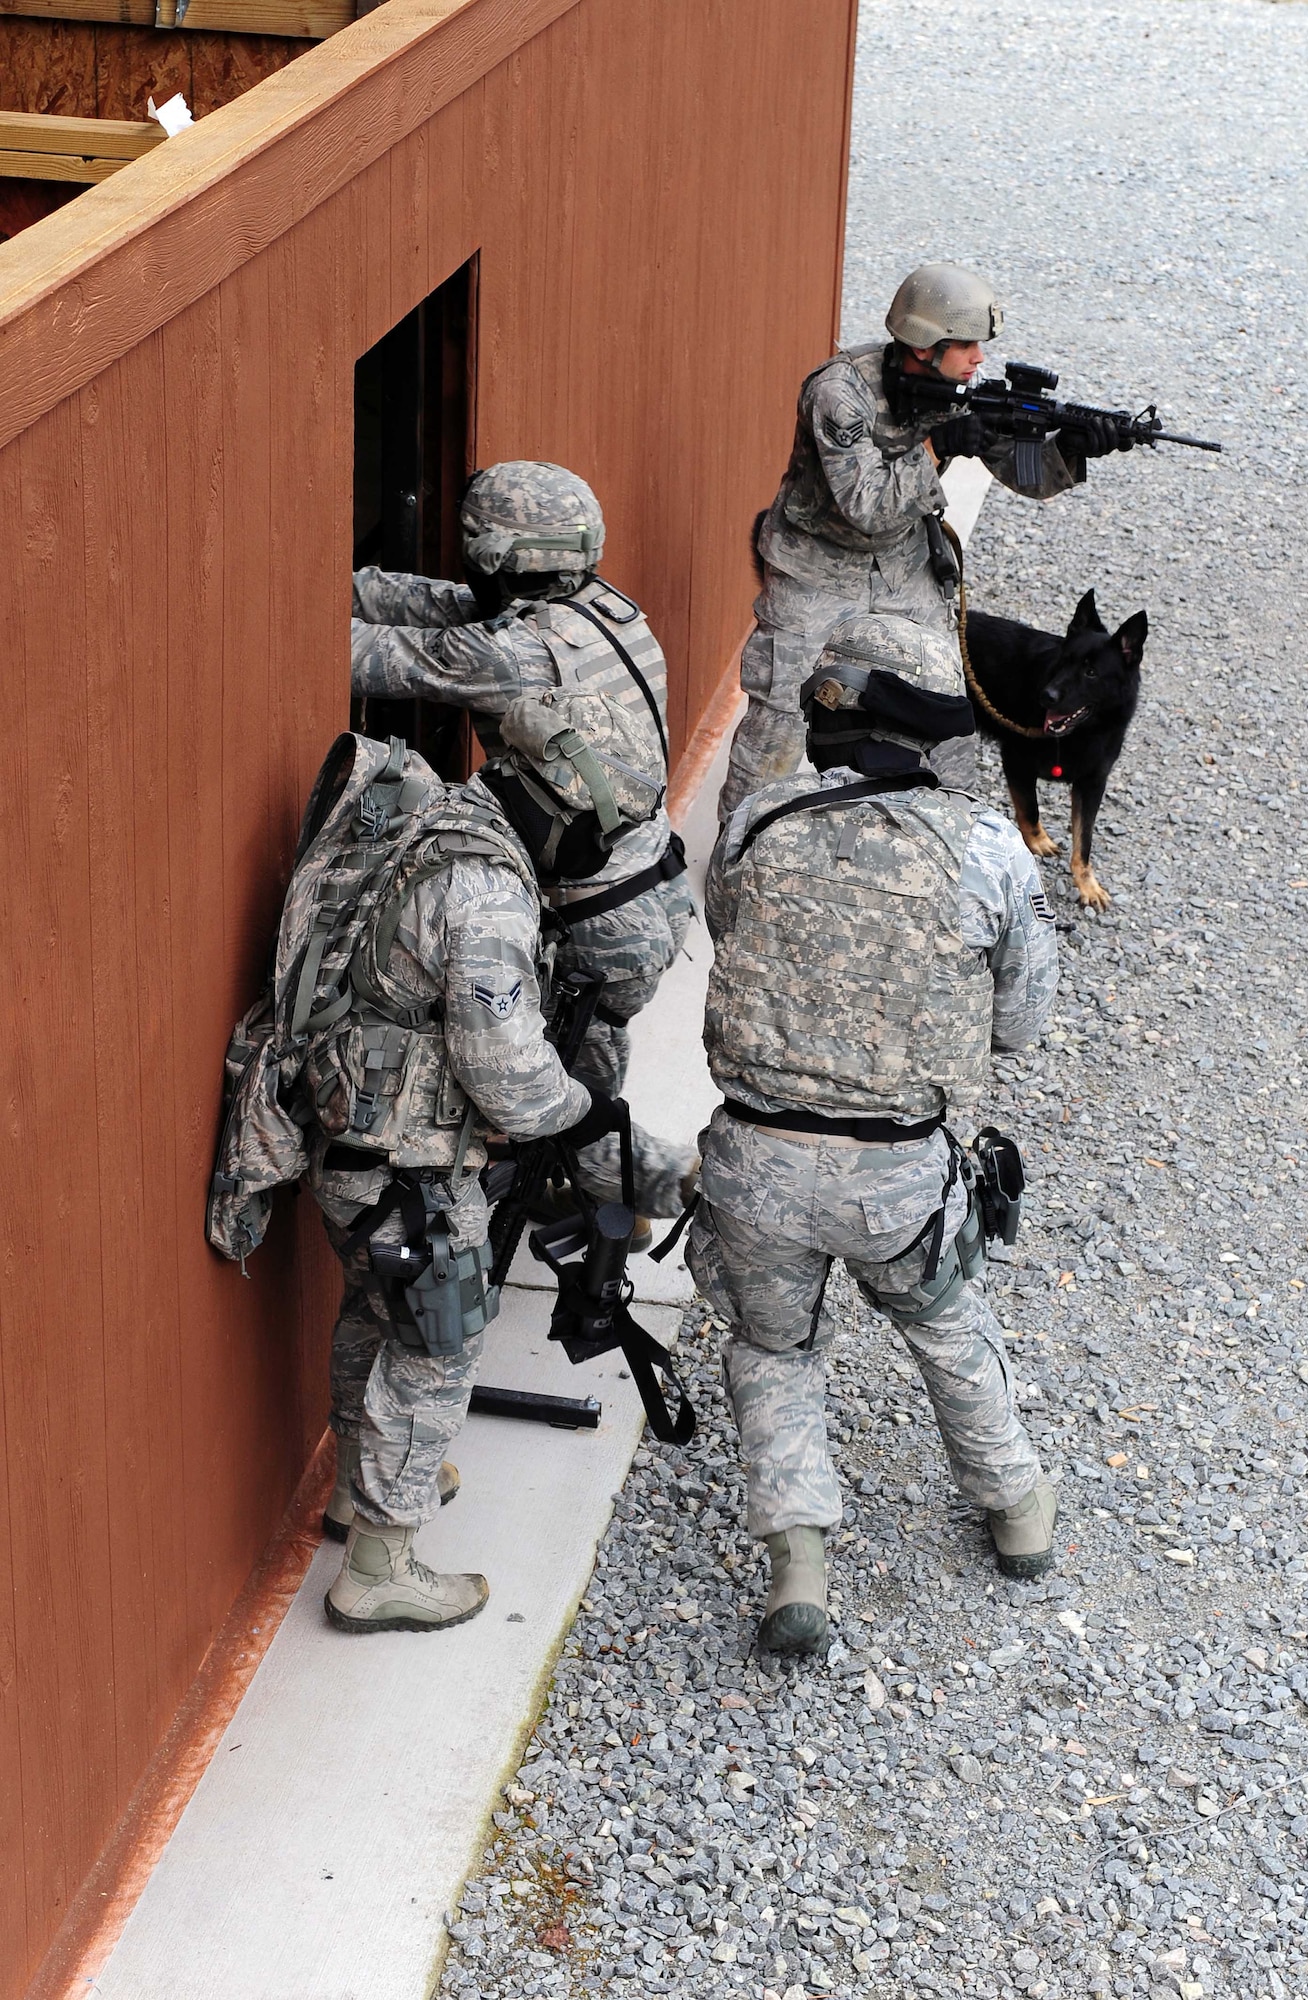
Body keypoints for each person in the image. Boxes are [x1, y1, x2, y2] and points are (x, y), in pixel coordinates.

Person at [214, 692, 658, 1633]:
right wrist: (587, 1113)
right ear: (546, 805)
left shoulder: (430, 816)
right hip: (415, 1175)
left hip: (348, 1151)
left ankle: (354, 1492)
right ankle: (381, 1564)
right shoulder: (489, 893)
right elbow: (512, 1084)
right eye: (584, 829)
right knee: (437, 1348)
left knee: (375, 1320)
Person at [688, 609, 1060, 1655]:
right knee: (945, 1323)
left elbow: (730, 930)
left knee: (772, 1347)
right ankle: (1016, 1509)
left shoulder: (758, 817)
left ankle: (796, 1564)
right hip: (897, 1174)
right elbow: (1023, 1022)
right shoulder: (982, 845)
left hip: (752, 1161)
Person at [350, 461, 696, 1231]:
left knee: (554, 1086)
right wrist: (344, 578)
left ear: (498, 551)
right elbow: (437, 605)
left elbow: (368, 655)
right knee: (575, 1069)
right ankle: (608, 1188)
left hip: (598, 919)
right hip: (645, 892)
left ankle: (668, 1187)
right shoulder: (603, 610)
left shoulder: (513, 654)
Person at [719, 261, 1128, 817]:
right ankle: (739, 847)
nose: (979, 360)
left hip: (903, 565)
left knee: (942, 705)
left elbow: (1024, 474)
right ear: (924, 345)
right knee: (780, 719)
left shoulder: (957, 390)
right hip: (814, 569)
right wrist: (936, 448)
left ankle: (939, 836)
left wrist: (1073, 446)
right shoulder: (840, 394)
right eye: (966, 346)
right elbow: (865, 505)